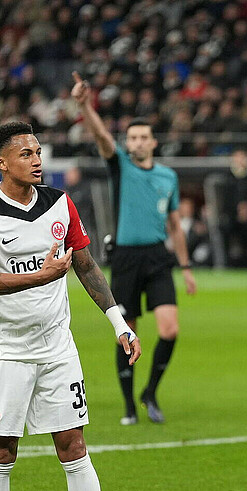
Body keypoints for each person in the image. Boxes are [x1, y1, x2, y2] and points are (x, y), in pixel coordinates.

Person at [0, 121, 142, 491]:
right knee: (0, 451)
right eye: (25, 153)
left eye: (38, 151)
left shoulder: (60, 203)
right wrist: (39, 276)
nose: (36, 159)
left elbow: (84, 263)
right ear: (1, 163)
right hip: (7, 350)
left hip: (58, 347)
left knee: (73, 446)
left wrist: (119, 322)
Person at [72, 72, 196, 425]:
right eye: (132, 137)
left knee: (170, 329)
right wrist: (85, 105)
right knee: (128, 330)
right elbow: (99, 135)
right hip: (126, 257)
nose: (138, 142)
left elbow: (174, 224)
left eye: (143, 137)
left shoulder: (167, 177)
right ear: (127, 143)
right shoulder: (121, 167)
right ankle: (129, 405)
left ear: (154, 142)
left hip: (158, 256)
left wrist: (186, 268)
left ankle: (150, 392)